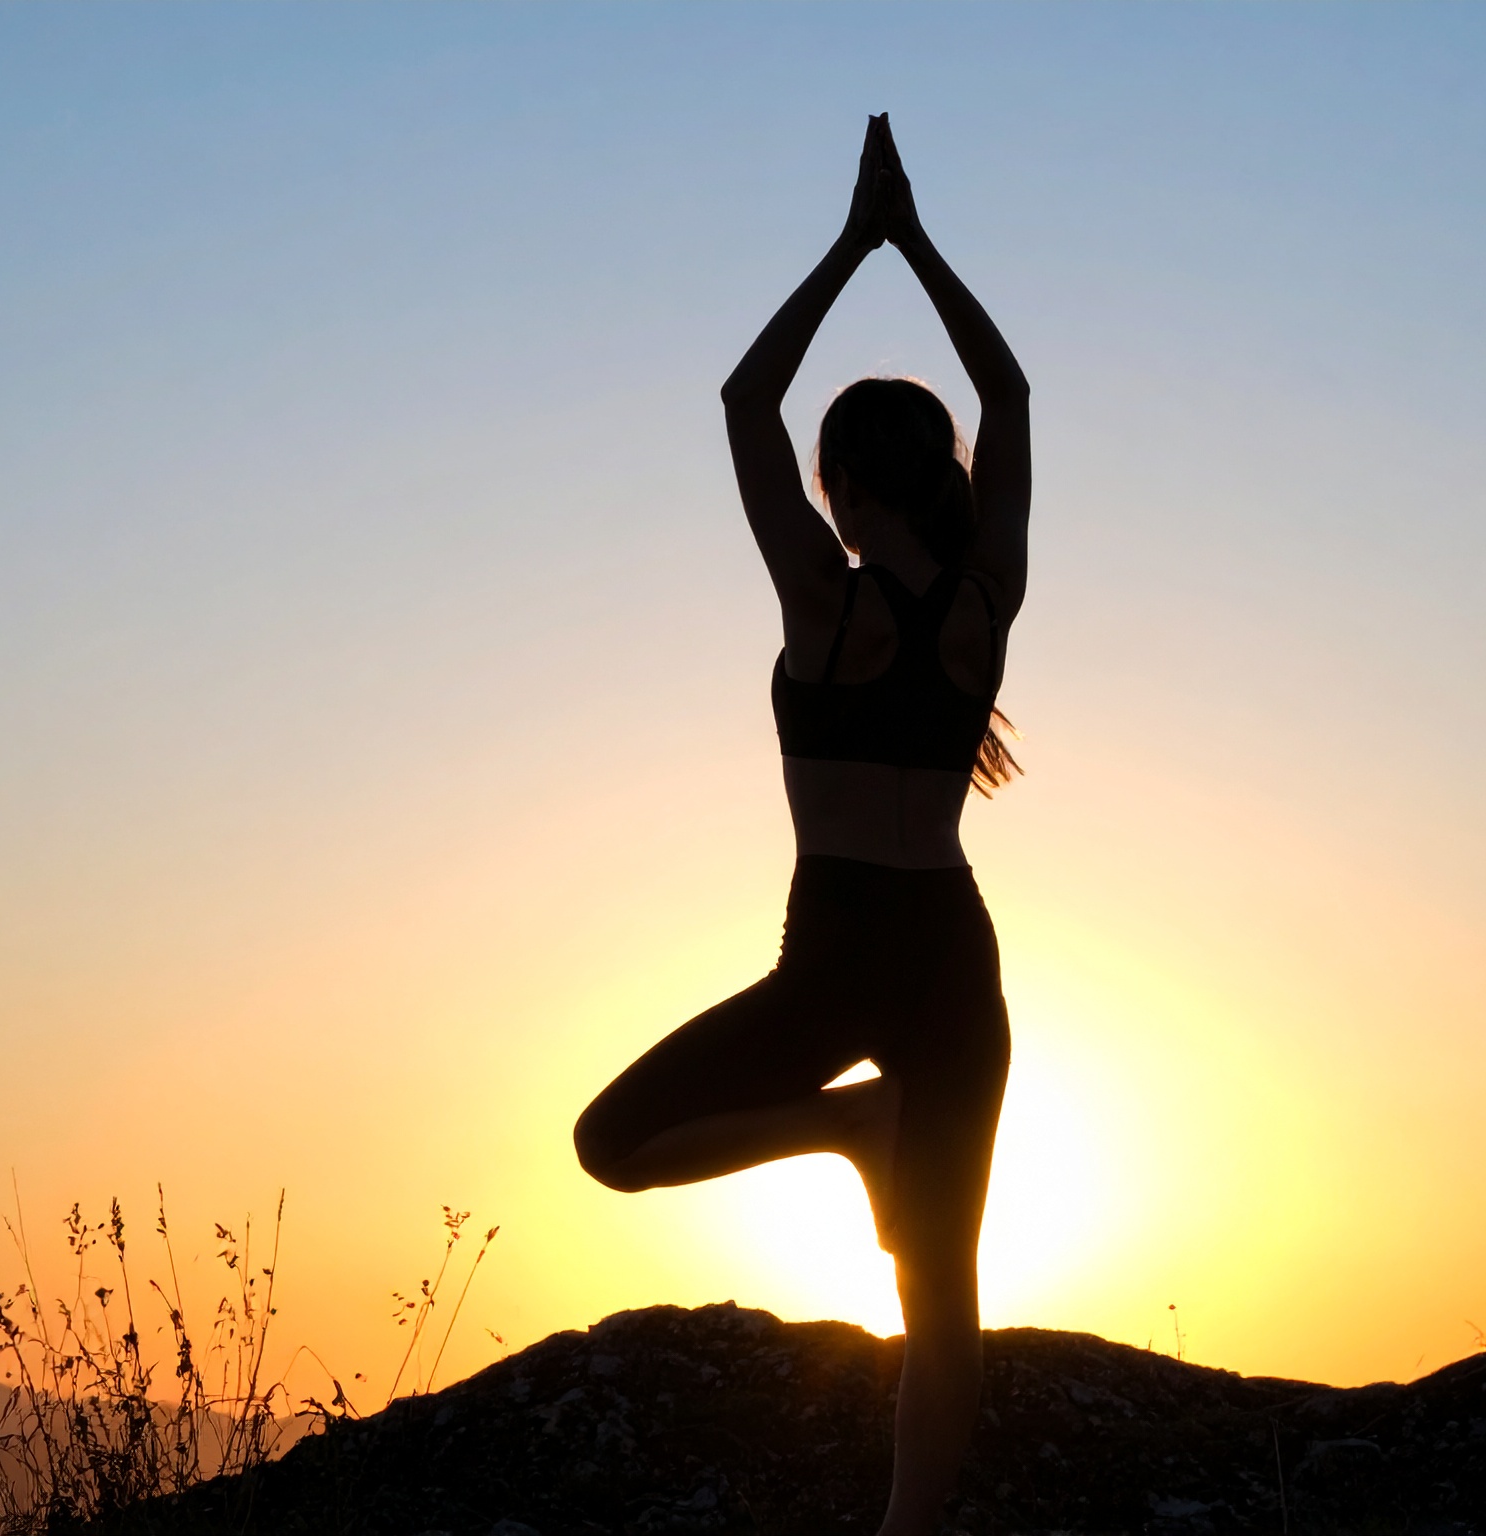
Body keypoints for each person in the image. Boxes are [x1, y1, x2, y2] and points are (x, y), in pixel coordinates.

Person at [572, 114, 1029, 1536]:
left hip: (834, 954)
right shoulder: (979, 609)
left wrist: (854, 243)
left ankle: (846, 1124)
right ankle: (907, 1534)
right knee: (941, 1291)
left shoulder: (822, 606)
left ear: (834, 487)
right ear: (935, 474)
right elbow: (1009, 398)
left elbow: (737, 399)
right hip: (952, 954)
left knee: (616, 1144)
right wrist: (921, 247)